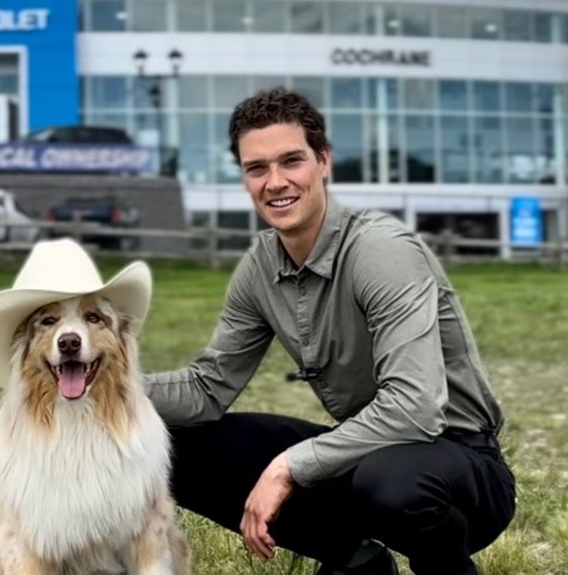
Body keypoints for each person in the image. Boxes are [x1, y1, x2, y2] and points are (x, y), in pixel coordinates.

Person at [144, 87, 516, 575]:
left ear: (323, 161)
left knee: (392, 484)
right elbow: (206, 389)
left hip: (460, 465)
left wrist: (288, 466)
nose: (275, 182)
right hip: (366, 456)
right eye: (257, 168)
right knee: (167, 443)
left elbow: (415, 407)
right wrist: (107, 389)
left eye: (291, 161)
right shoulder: (259, 268)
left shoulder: (380, 250)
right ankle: (358, 561)